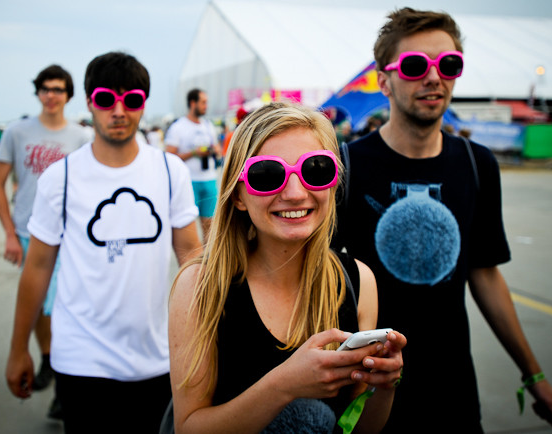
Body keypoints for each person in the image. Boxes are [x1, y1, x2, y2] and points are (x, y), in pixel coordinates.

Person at [334, 7, 552, 432]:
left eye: (449, 64)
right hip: (366, 389)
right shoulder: (347, 166)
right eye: (414, 65)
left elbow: (485, 275)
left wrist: (534, 375)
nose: (434, 77)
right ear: (384, 81)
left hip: (454, 390)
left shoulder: (477, 165)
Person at [168, 101, 406, 433]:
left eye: (316, 169)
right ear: (238, 196)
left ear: (333, 182)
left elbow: (359, 429)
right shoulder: (200, 286)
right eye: (267, 175)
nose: (295, 193)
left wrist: (383, 385)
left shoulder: (359, 282)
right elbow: (188, 427)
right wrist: (284, 385)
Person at [5, 51, 202, 432]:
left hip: (160, 357)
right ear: (90, 102)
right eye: (105, 99)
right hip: (81, 359)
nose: (118, 111)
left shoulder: (169, 170)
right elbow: (38, 268)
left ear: (143, 105)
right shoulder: (59, 178)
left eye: (131, 100)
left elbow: (192, 257)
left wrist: (207, 336)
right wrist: (18, 350)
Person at [0, 64, 90, 418]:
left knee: (62, 306)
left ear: (68, 95)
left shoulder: (80, 136)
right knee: (37, 304)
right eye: (46, 88)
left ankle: (62, 377)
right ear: (37, 92)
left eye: (59, 89)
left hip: (69, 236)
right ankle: (49, 357)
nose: (51, 95)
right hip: (28, 232)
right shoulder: (17, 132)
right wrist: (8, 233)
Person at [165, 88, 222, 243]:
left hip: (209, 179)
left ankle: (208, 262)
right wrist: (193, 153)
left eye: (207, 102)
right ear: (193, 103)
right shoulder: (178, 127)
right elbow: (168, 157)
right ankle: (193, 263)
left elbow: (217, 148)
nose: (206, 106)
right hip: (189, 181)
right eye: (203, 102)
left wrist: (215, 150)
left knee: (210, 227)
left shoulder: (208, 125)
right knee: (187, 229)